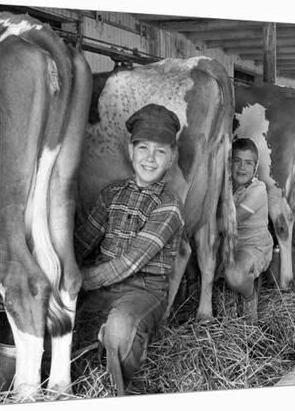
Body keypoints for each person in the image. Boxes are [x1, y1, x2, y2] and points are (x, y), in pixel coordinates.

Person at [73, 103, 184, 395]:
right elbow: (83, 241)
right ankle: (99, 353)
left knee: (120, 329)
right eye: (143, 148)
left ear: (171, 157)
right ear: (130, 150)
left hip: (144, 291)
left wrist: (78, 281)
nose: (150, 158)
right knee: (63, 326)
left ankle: (121, 390)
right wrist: (59, 267)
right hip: (100, 291)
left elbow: (131, 262)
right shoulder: (111, 194)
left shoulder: (170, 205)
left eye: (160, 151)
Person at [224, 138, 272, 323]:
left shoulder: (258, 189)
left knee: (234, 276)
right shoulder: (225, 187)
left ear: (256, 166)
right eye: (237, 160)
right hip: (227, 245)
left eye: (248, 162)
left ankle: (250, 300)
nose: (242, 167)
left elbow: (231, 221)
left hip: (253, 246)